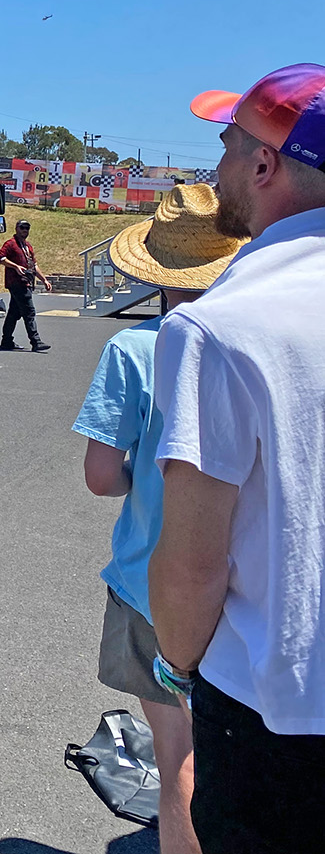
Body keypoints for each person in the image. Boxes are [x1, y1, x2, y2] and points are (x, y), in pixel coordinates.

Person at [149, 64, 325, 852]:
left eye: (225, 145)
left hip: (274, 715)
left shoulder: (218, 328)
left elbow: (191, 565)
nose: (213, 166)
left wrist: (174, 664)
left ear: (263, 165)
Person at [73, 184, 243, 854]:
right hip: (244, 585)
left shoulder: (135, 350)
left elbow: (97, 475)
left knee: (178, 753)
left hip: (152, 579)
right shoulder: (258, 342)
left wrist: (137, 478)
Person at [0, 217, 52, 351]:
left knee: (14, 313)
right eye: (22, 228)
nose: (25, 230)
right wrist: (15, 266)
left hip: (27, 282)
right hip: (16, 283)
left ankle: (6, 341)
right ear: (16, 229)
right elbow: (0, 257)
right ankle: (36, 341)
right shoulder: (10, 244)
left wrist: (44, 280)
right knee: (29, 312)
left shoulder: (28, 246)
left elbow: (34, 265)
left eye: (27, 228)